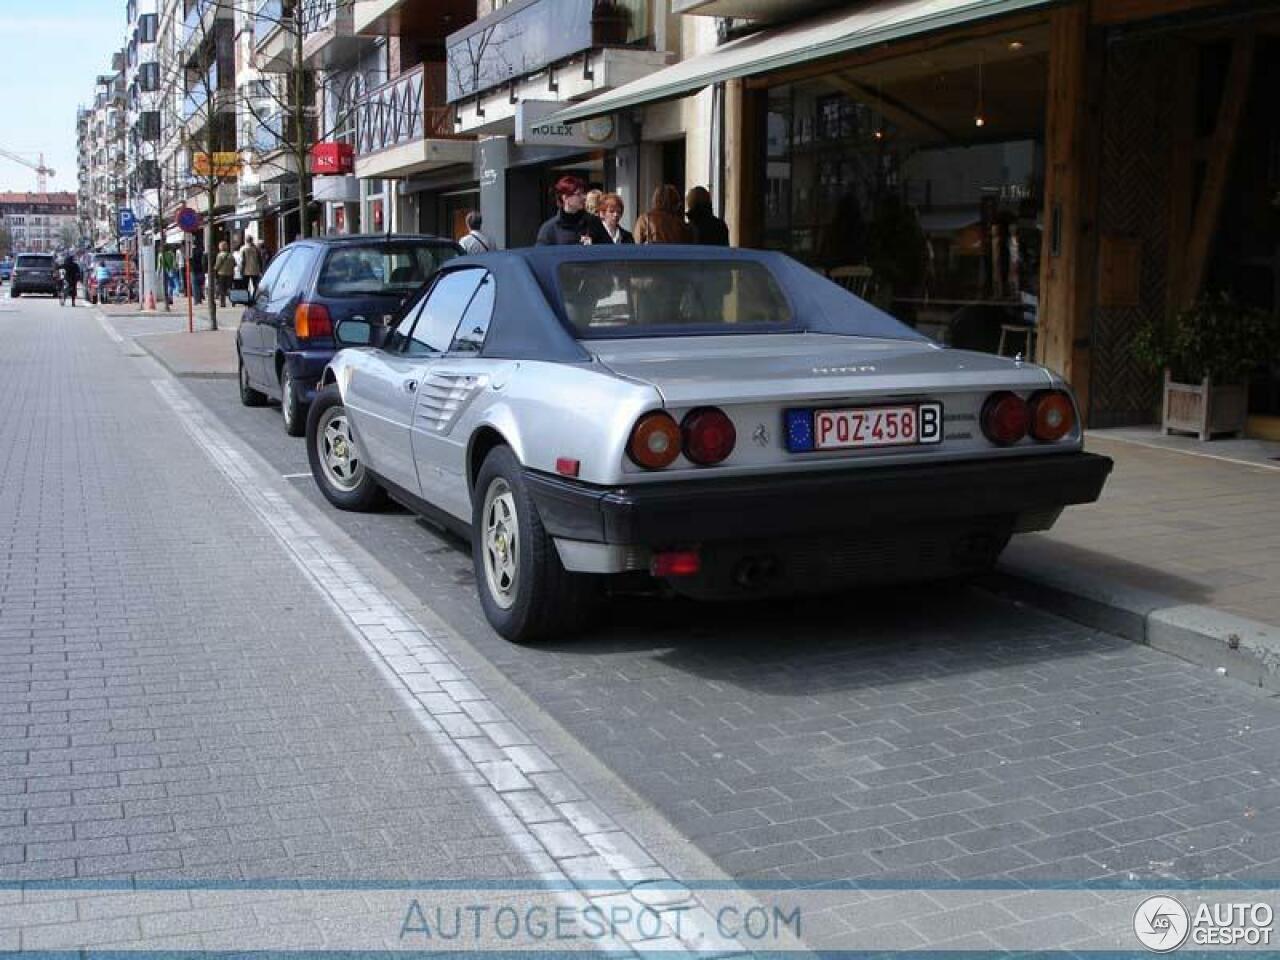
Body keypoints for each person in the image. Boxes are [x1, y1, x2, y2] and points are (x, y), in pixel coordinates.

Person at [536, 175, 596, 246]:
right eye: (579, 194)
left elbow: (607, 250)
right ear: (565, 198)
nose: (584, 197)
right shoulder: (549, 229)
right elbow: (541, 255)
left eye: (584, 193)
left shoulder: (593, 222)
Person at [213, 241, 235, 307]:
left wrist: (214, 269)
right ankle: (233, 301)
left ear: (220, 247)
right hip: (230, 274)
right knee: (229, 288)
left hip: (221, 274)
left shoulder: (219, 255)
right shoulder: (231, 255)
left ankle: (222, 303)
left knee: (222, 289)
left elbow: (217, 265)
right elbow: (234, 264)